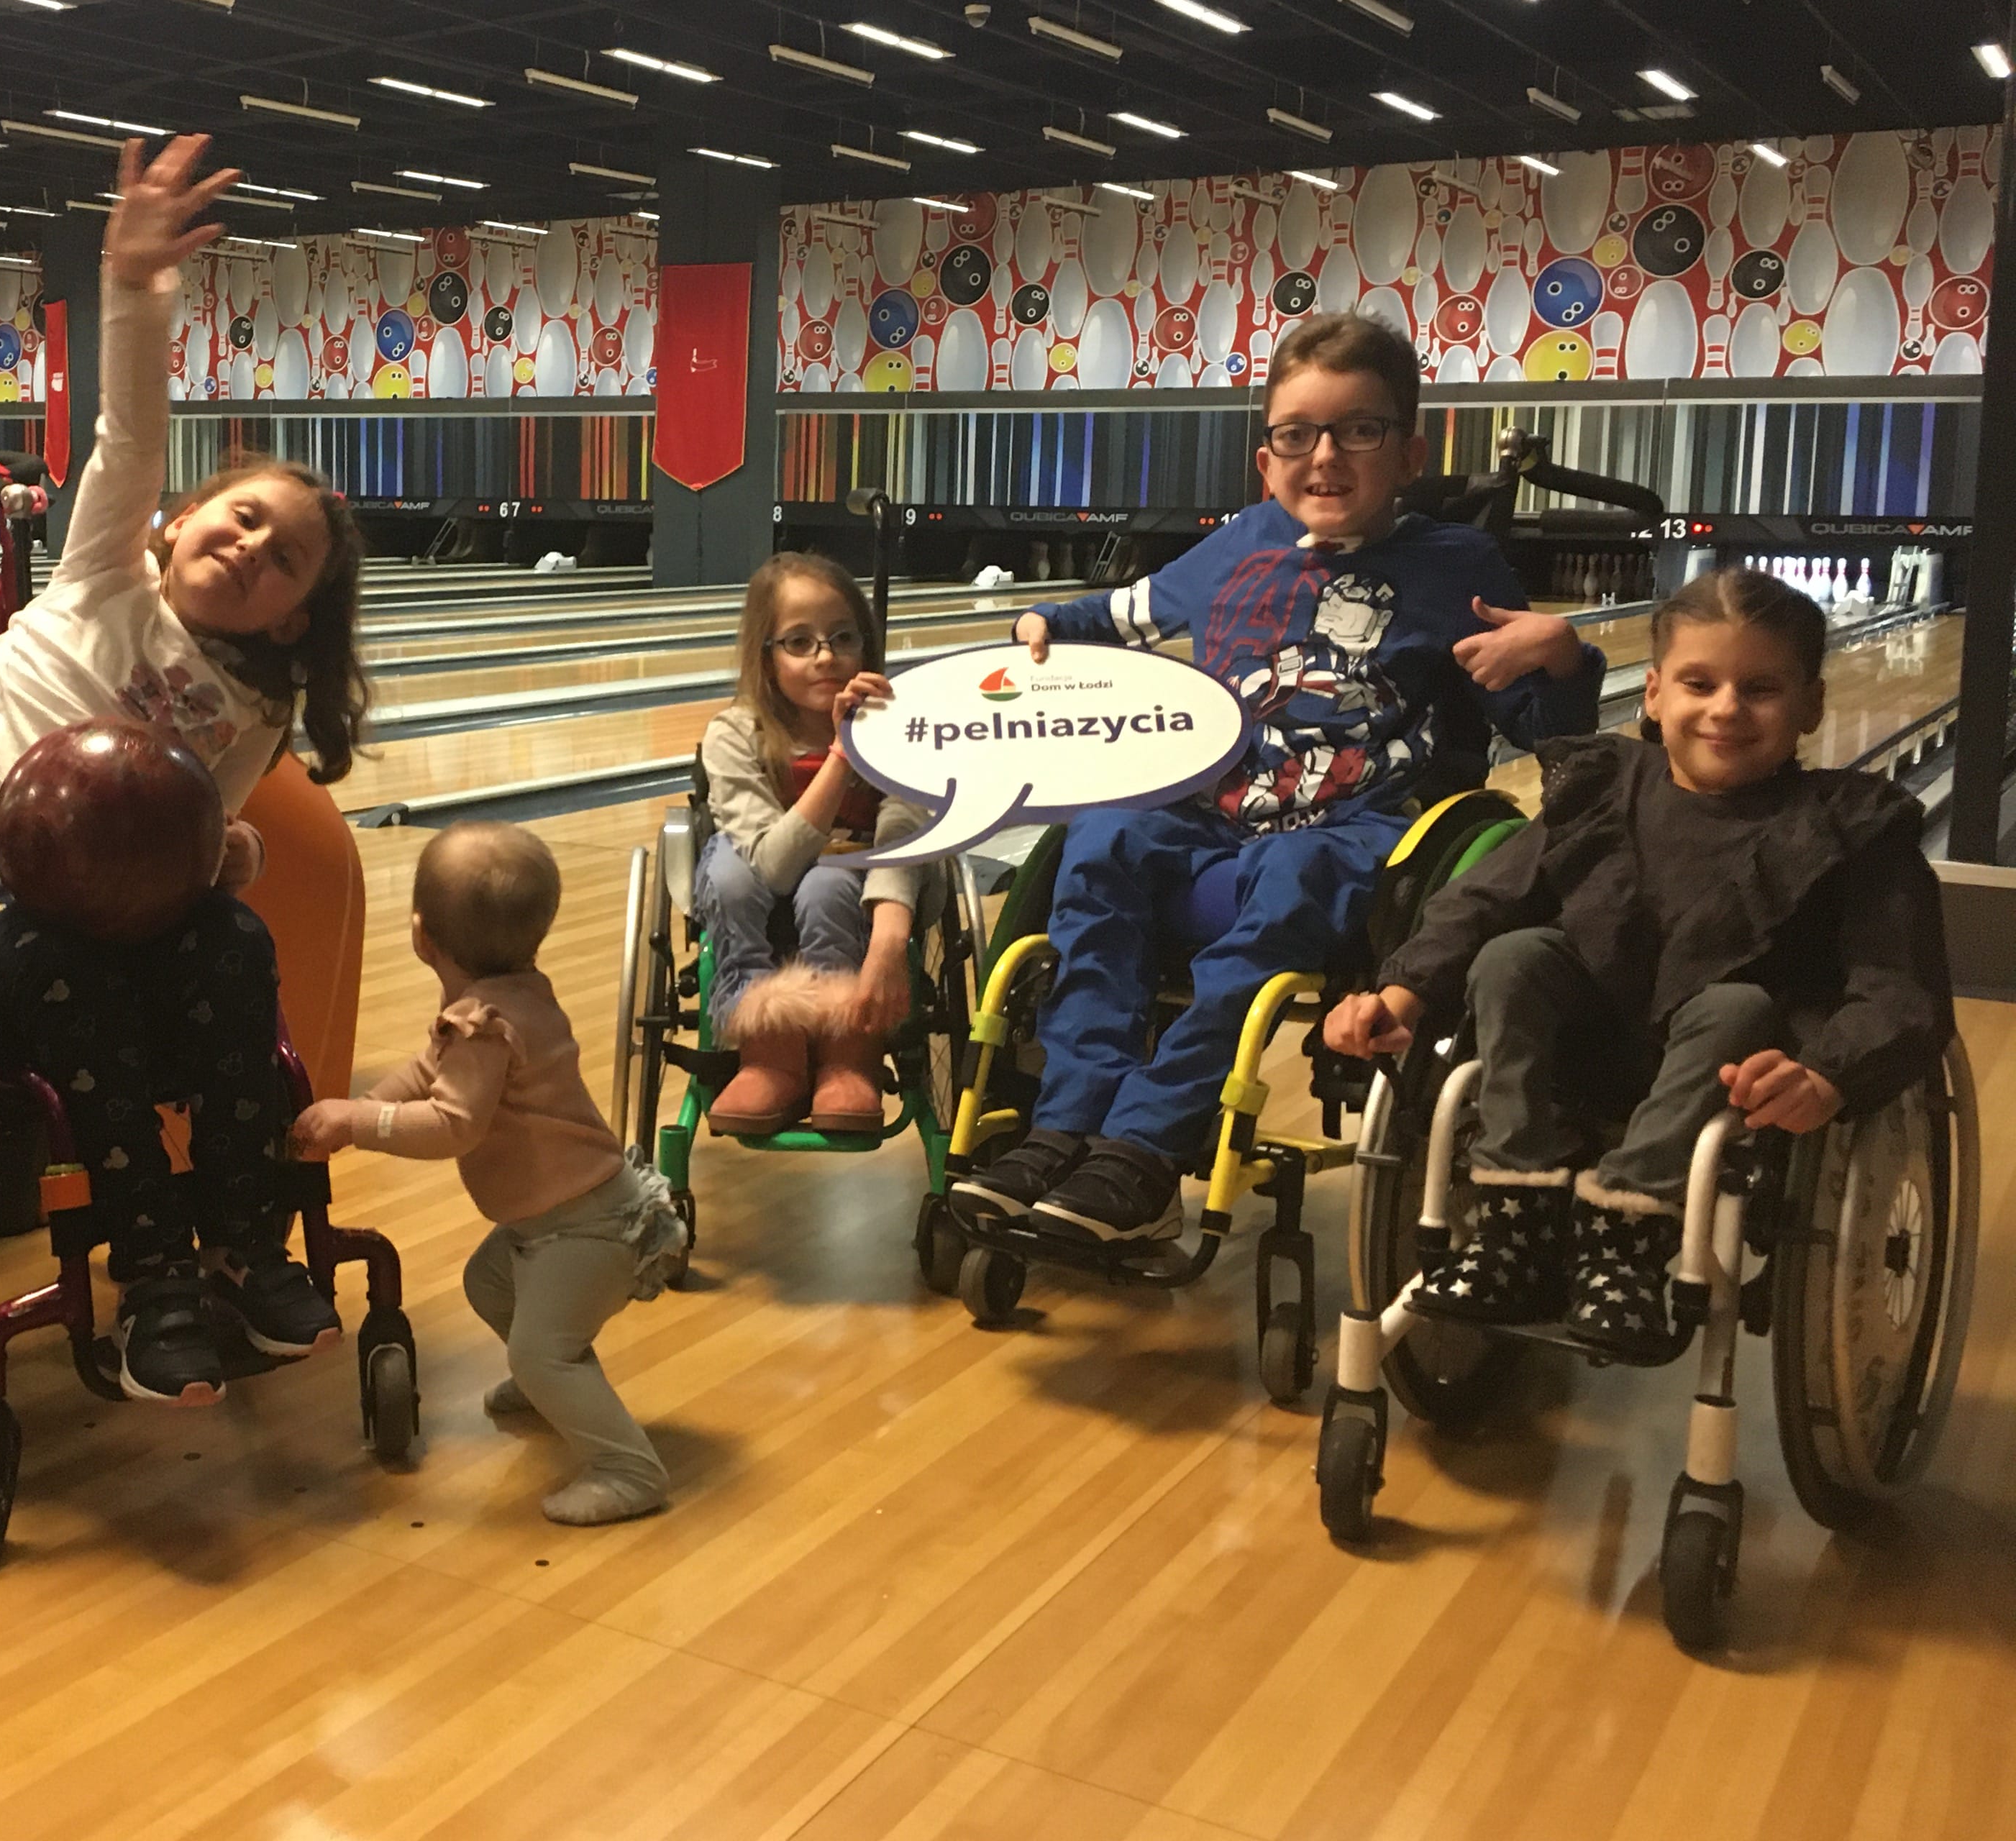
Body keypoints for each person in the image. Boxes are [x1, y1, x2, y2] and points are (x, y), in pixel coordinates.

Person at [947, 311, 1603, 1251]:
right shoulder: (1237, 544)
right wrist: (1042, 624)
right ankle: (1066, 1121)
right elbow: (1120, 614)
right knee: (1100, 838)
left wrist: (1562, 657)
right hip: (1211, 818)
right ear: (1267, 461)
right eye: (1297, 434)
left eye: (1359, 430)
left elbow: (1547, 735)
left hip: (1357, 830)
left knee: (1292, 877)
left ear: (1410, 454)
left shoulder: (1457, 568)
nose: (1324, 455)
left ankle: (1145, 1145)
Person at [0, 133, 372, 1406]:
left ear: (293, 615)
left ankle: (246, 1240)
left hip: (134, 912)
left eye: (282, 558)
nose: (250, 547)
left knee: (233, 946)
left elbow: (203, 833)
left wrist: (221, 856)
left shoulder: (254, 710)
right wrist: (133, 289)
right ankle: (153, 1271)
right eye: (240, 517)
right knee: (66, 975)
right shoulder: (102, 580)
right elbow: (130, 430)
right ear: (177, 524)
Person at [1323, 567, 1952, 1358]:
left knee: (1736, 1005)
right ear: (1653, 694)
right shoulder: (1605, 786)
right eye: (1700, 683)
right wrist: (1401, 992)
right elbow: (1485, 897)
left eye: (1760, 689)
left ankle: (1625, 1237)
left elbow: (1900, 989)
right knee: (1515, 955)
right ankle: (1516, 1217)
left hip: (1731, 1081)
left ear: (1812, 706)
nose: (1726, 709)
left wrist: (1827, 1074)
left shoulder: (1848, 827)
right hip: (1580, 1056)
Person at [291, 823, 685, 1526]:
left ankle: (630, 1470)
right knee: (489, 1283)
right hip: (570, 1219)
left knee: (540, 1353)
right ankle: (552, 1383)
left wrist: (361, 1124)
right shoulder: (513, 997)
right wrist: (366, 1106)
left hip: (589, 1231)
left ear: (420, 935)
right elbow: (428, 1070)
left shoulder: (483, 1024)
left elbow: (454, 1124)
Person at [695, 552, 929, 1133]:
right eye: (799, 642)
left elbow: (904, 838)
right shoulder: (734, 734)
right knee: (728, 874)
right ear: (765, 655)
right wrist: (843, 755)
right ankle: (768, 1052)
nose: (825, 656)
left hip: (850, 881)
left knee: (827, 884)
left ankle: (847, 1053)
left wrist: (890, 944)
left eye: (842, 637)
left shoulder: (899, 729)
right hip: (761, 868)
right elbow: (772, 869)